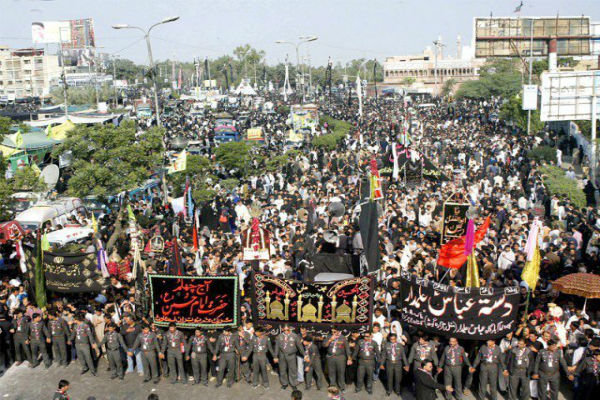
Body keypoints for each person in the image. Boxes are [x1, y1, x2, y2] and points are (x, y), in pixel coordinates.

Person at [274, 324, 304, 390]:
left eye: (287, 330)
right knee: (282, 370)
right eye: (284, 330)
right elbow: (276, 347)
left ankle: (293, 384)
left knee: (292, 370)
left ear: (290, 329)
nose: (286, 331)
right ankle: (284, 383)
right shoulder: (279, 336)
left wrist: (304, 355)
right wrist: (275, 356)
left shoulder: (295, 336)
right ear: (282, 329)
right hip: (282, 356)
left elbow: (300, 347)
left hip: (291, 356)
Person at [323, 326, 351, 391]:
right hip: (330, 357)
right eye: (332, 331)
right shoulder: (329, 336)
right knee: (331, 372)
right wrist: (330, 340)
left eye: (334, 331)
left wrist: (349, 358)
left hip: (340, 358)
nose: (333, 333)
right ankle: (332, 385)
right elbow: (324, 345)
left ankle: (342, 386)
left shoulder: (343, 338)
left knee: (341, 372)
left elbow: (347, 349)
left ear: (338, 331)